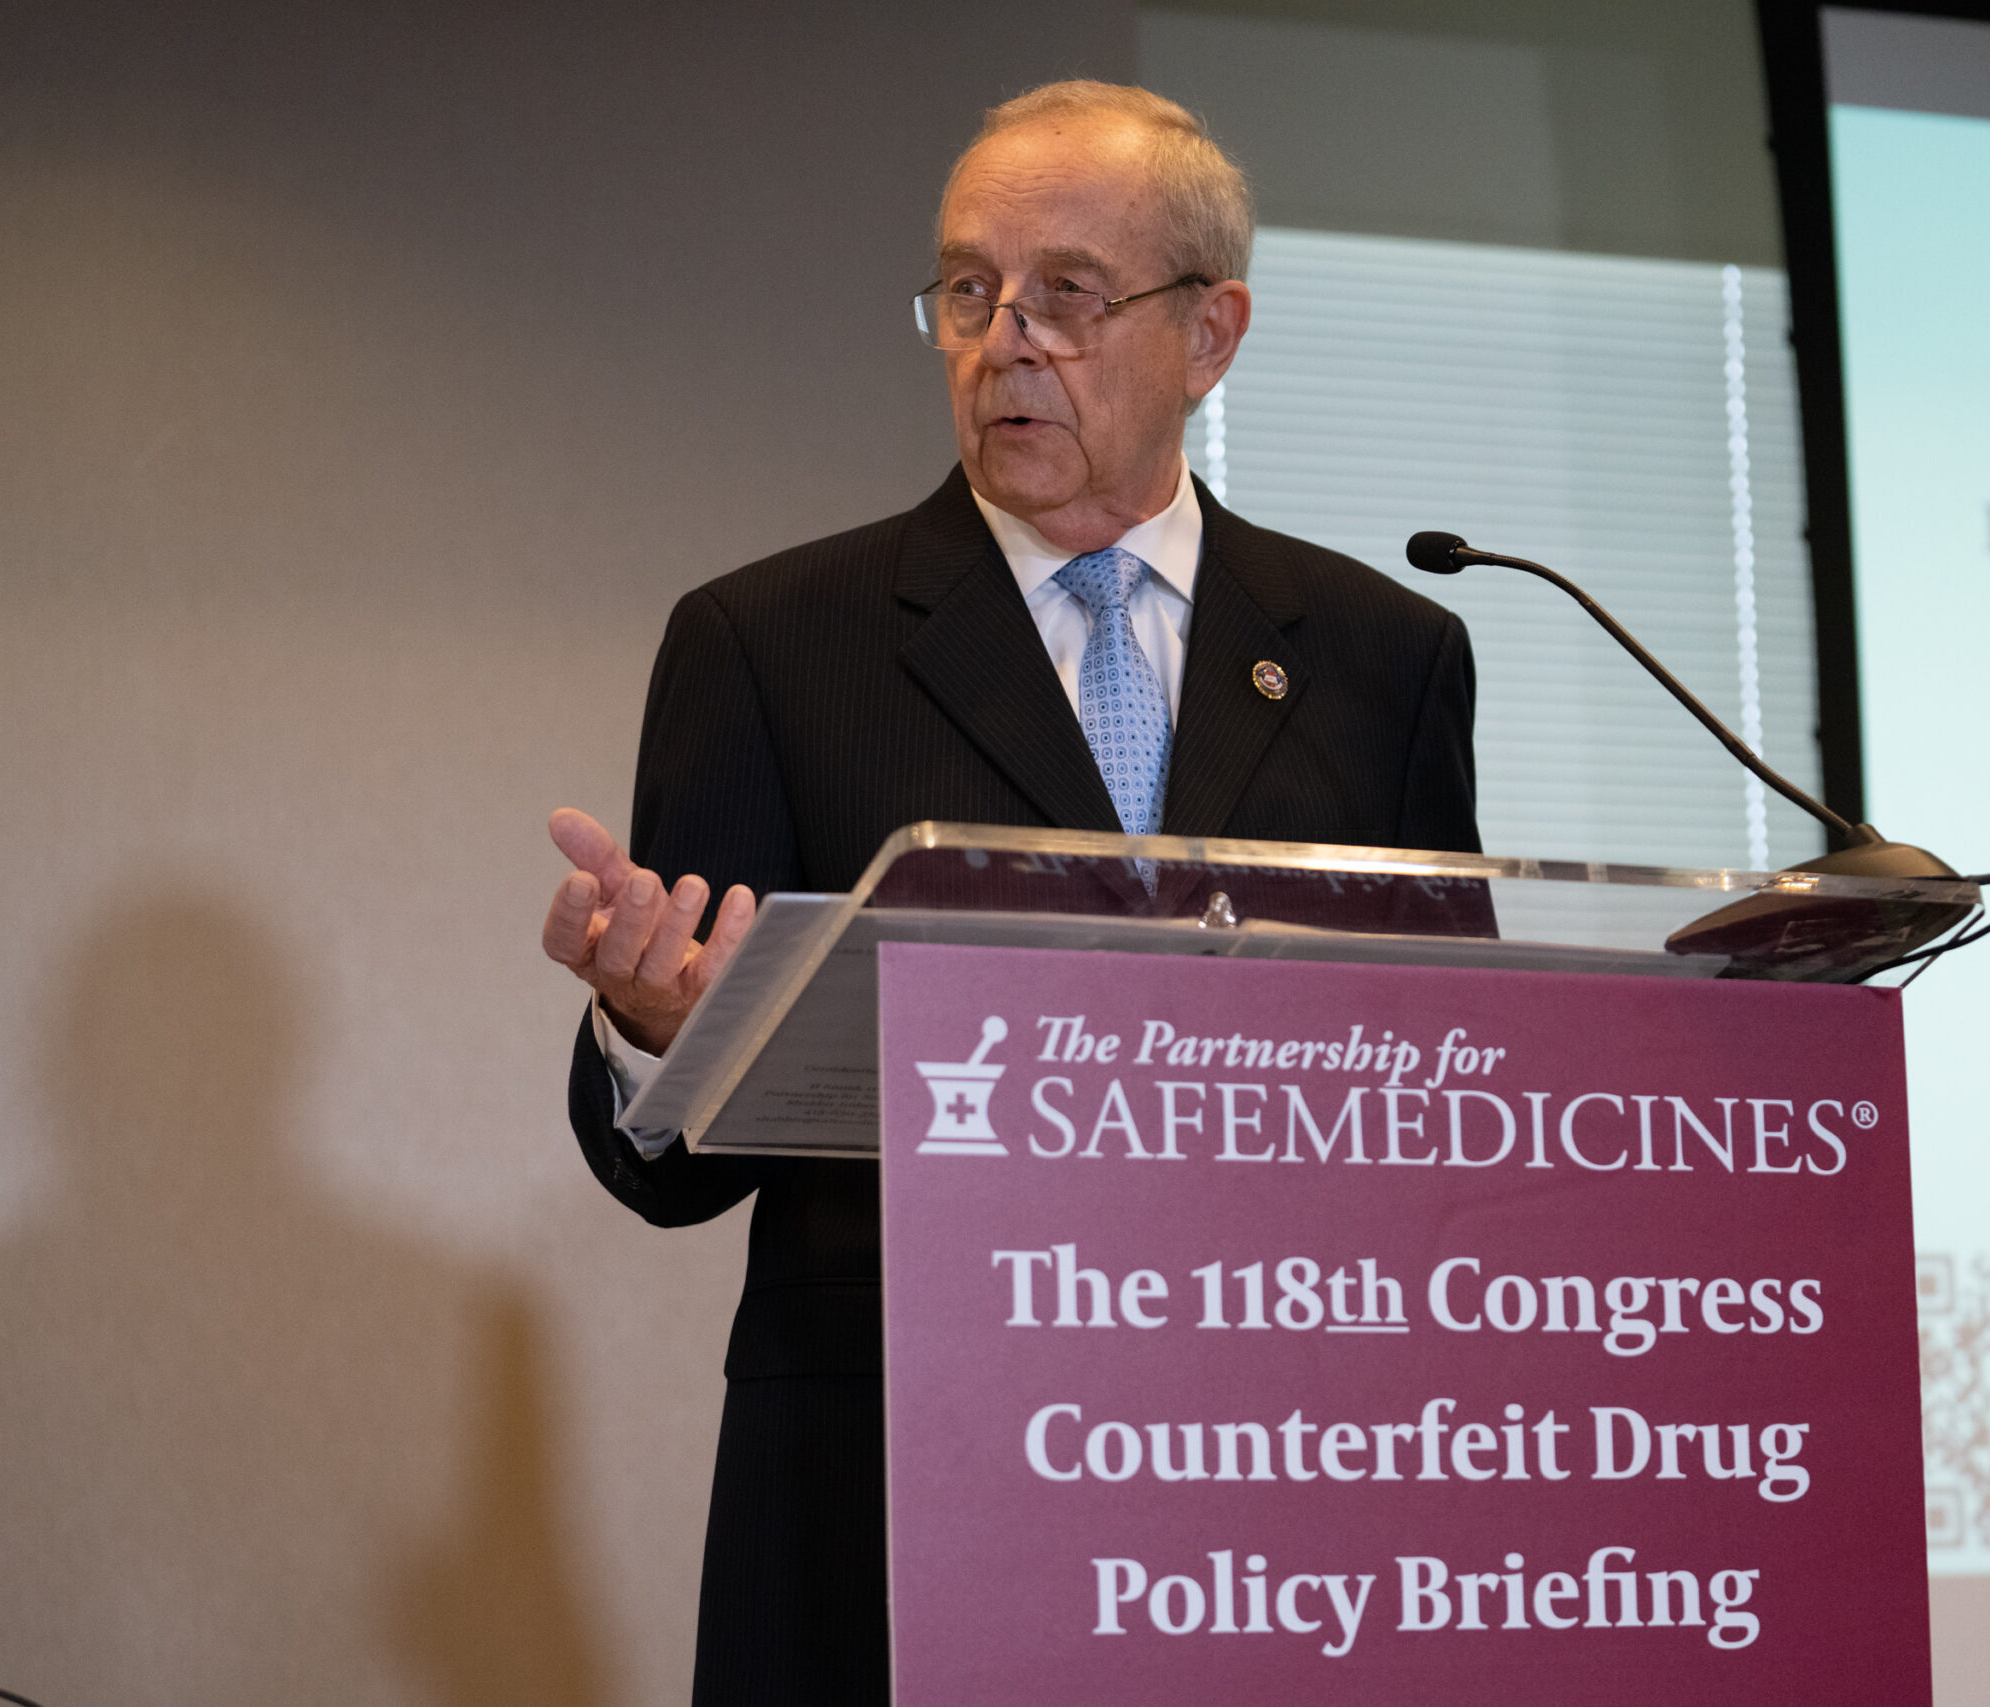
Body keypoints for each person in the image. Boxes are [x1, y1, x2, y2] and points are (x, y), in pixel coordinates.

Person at [539, 80, 1480, 1703]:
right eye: (969, 291)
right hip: (900, 1481)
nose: (1005, 339)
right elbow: (675, 1177)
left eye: (1068, 292)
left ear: (1212, 332)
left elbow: (1444, 1096)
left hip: (1286, 1487)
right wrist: (652, 1027)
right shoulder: (773, 644)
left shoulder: (1386, 657)